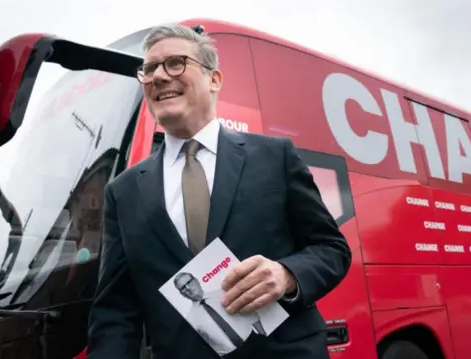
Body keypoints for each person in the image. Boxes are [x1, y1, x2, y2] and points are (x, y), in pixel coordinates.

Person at [86, 23, 351, 359]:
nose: (159, 77)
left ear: (214, 79)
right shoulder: (122, 191)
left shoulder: (275, 156)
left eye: (175, 63)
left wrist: (287, 275)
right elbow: (116, 309)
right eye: (149, 69)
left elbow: (332, 249)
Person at [173, 272, 267, 356]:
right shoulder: (190, 320)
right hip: (231, 355)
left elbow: (247, 312)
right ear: (181, 294)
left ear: (196, 281)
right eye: (183, 288)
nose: (188, 288)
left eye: (189, 282)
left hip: (253, 340)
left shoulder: (222, 293)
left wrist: (263, 335)